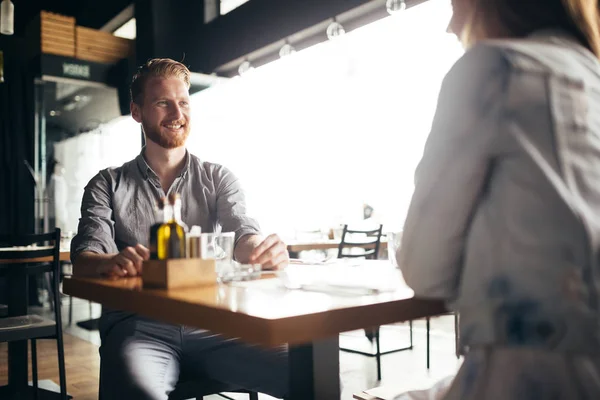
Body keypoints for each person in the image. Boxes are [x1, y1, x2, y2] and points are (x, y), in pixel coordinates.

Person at [397, 0, 600, 399]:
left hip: (541, 372)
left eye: (457, 3)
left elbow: (425, 271)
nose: (451, 24)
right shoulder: (590, 78)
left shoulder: (494, 69)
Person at [70, 58, 290, 400]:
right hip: (139, 328)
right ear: (137, 112)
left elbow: (242, 231)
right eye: (163, 103)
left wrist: (259, 249)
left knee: (307, 373)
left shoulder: (219, 177)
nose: (177, 113)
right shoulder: (106, 184)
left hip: (215, 326)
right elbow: (84, 260)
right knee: (140, 393)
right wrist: (107, 262)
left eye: (184, 102)